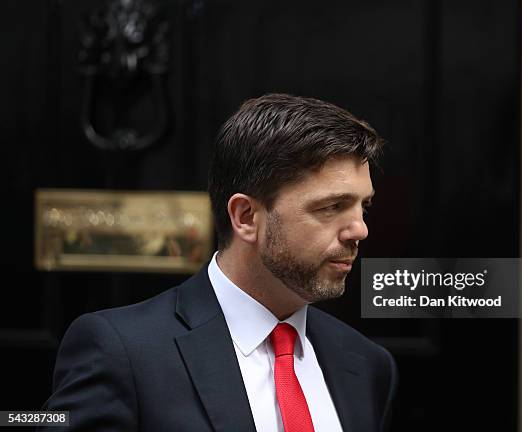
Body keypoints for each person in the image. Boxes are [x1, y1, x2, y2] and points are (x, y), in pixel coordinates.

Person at [40, 94, 398, 431]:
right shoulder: (122, 353)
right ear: (245, 217)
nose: (360, 230)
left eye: (362, 207)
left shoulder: (366, 364)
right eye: (331, 207)